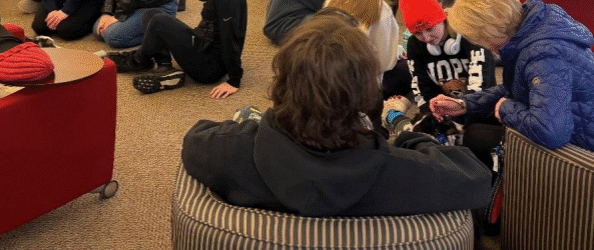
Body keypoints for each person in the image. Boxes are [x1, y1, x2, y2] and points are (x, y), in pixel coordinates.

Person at [182, 13, 492, 217]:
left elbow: (194, 140)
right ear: (364, 96)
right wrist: (409, 141)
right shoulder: (403, 171)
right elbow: (476, 178)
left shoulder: (223, 150)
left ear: (282, 83)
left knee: (245, 116)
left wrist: (253, 127)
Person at [430, 0, 594, 168]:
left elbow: (551, 132)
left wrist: (506, 109)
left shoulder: (543, 56)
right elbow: (517, 89)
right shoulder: (536, 27)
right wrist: (465, 105)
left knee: (477, 137)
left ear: (488, 32)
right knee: (479, 128)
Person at [104, 0, 246, 97]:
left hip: (209, 66)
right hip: (203, 43)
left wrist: (234, 80)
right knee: (151, 15)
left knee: (159, 21)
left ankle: (139, 59)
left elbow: (231, 36)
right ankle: (164, 68)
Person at [324, 0, 411, 98]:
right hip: (363, 86)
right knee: (410, 67)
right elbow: (385, 63)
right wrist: (397, 52)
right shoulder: (380, 10)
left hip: (330, 74)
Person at [398, 0, 495, 121]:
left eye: (430, 28)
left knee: (474, 136)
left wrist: (461, 110)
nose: (426, 38)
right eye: (418, 33)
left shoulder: (470, 33)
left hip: (478, 108)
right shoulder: (415, 44)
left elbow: (482, 86)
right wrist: (432, 113)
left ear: (441, 19)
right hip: (445, 112)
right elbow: (422, 88)